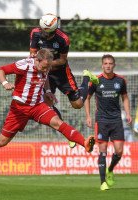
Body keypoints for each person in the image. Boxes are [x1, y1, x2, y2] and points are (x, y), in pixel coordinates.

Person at [0, 49, 95, 163]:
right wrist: (5, 83)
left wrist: (48, 90)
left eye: (48, 67)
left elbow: (45, 78)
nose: (46, 69)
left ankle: (84, 142)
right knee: (2, 141)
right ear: (37, 60)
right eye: (44, 67)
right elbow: (0, 70)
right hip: (19, 109)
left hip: (37, 106)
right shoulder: (24, 65)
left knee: (57, 122)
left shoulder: (46, 67)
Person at [30, 13, 99, 148]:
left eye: (46, 31)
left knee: (78, 104)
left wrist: (47, 63)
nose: (43, 33)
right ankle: (69, 134)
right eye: (42, 29)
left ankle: (87, 77)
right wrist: (39, 66)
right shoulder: (35, 33)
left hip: (61, 73)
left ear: (53, 30)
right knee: (47, 105)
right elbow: (32, 54)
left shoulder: (63, 39)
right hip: (45, 73)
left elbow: (62, 60)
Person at [84, 54, 132, 191]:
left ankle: (110, 169)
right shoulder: (96, 81)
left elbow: (125, 97)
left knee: (119, 151)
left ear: (114, 65)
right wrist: (88, 116)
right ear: (102, 65)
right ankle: (102, 182)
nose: (108, 65)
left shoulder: (121, 80)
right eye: (105, 63)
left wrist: (128, 113)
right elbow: (87, 98)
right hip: (101, 120)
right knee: (102, 151)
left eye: (110, 63)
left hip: (116, 120)